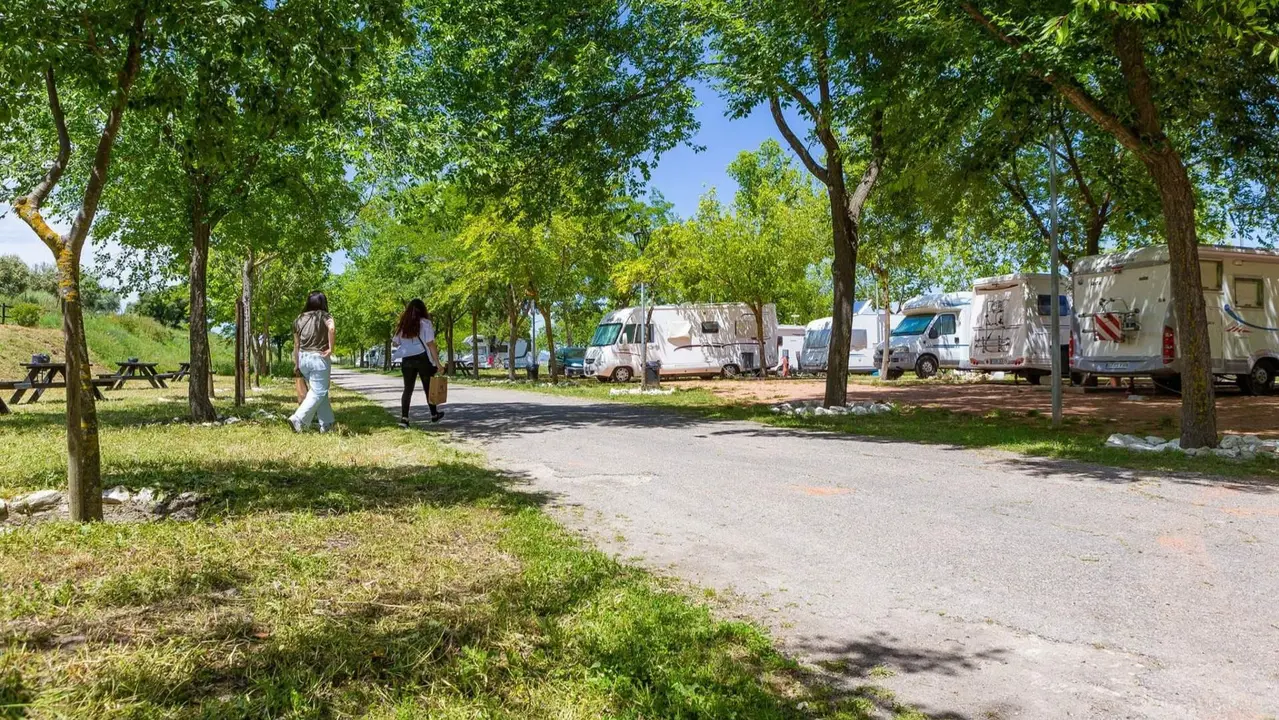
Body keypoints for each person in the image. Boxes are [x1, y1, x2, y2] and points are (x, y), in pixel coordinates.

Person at [288, 291, 336, 433]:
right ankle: (299, 418)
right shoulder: (325, 316)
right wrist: (331, 348)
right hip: (318, 358)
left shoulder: (299, 319)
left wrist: (297, 364)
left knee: (320, 391)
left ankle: (327, 424)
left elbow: (296, 344)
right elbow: (331, 329)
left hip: (303, 358)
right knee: (318, 391)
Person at [392, 298, 444, 427]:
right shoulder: (425, 323)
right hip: (422, 358)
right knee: (428, 387)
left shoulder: (403, 325)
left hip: (407, 359)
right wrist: (438, 363)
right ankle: (433, 414)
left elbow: (395, 342)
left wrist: (407, 343)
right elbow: (430, 344)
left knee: (408, 389)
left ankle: (404, 418)